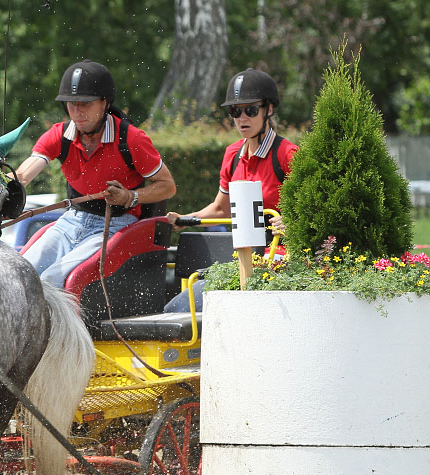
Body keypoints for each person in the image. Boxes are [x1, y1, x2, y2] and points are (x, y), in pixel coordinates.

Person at [15, 60, 176, 287]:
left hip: (119, 224)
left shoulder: (132, 139)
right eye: (72, 104)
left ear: (104, 103)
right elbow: (24, 174)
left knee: (54, 279)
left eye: (86, 104)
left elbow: (168, 186)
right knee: (20, 273)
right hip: (72, 220)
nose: (77, 112)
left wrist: (131, 197)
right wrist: (9, 188)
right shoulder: (57, 136)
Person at [164, 68, 299, 312]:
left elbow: (315, 209)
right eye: (235, 111)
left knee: (195, 305)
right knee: (176, 309)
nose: (242, 118)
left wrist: (293, 221)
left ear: (269, 110)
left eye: (250, 110)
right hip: (241, 258)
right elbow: (220, 208)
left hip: (279, 259)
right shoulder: (232, 155)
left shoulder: (288, 155)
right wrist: (184, 220)